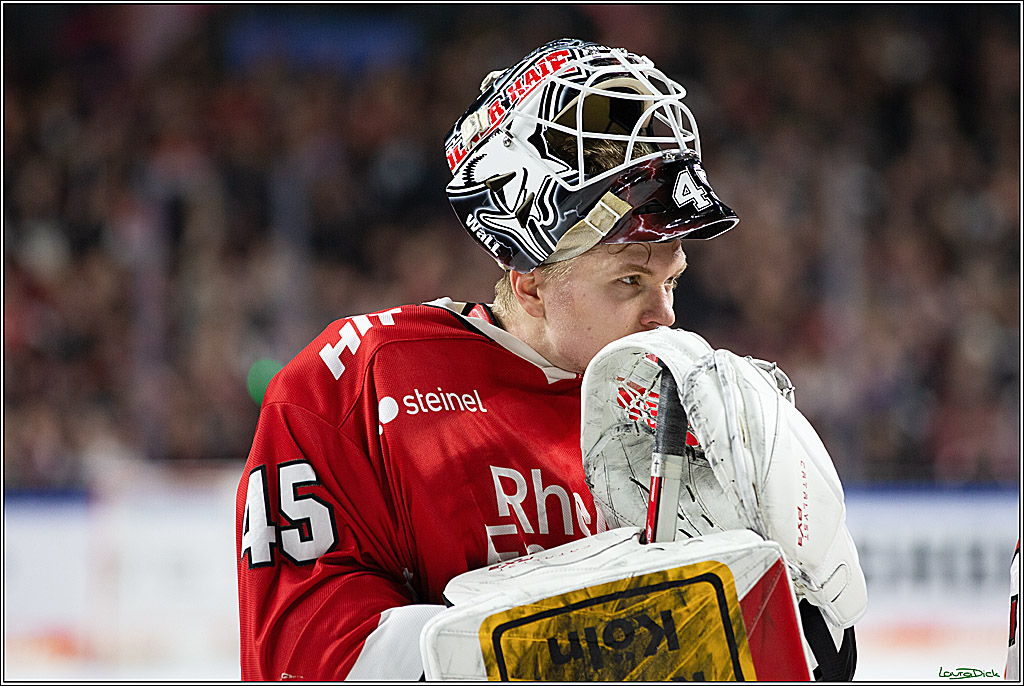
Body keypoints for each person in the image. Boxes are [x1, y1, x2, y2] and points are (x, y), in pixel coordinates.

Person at [236, 38, 852, 681]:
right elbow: (306, 662)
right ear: (529, 281)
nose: (664, 315)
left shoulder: (690, 415)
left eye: (671, 280)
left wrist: (790, 629)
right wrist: (607, 636)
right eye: (628, 282)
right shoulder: (351, 384)